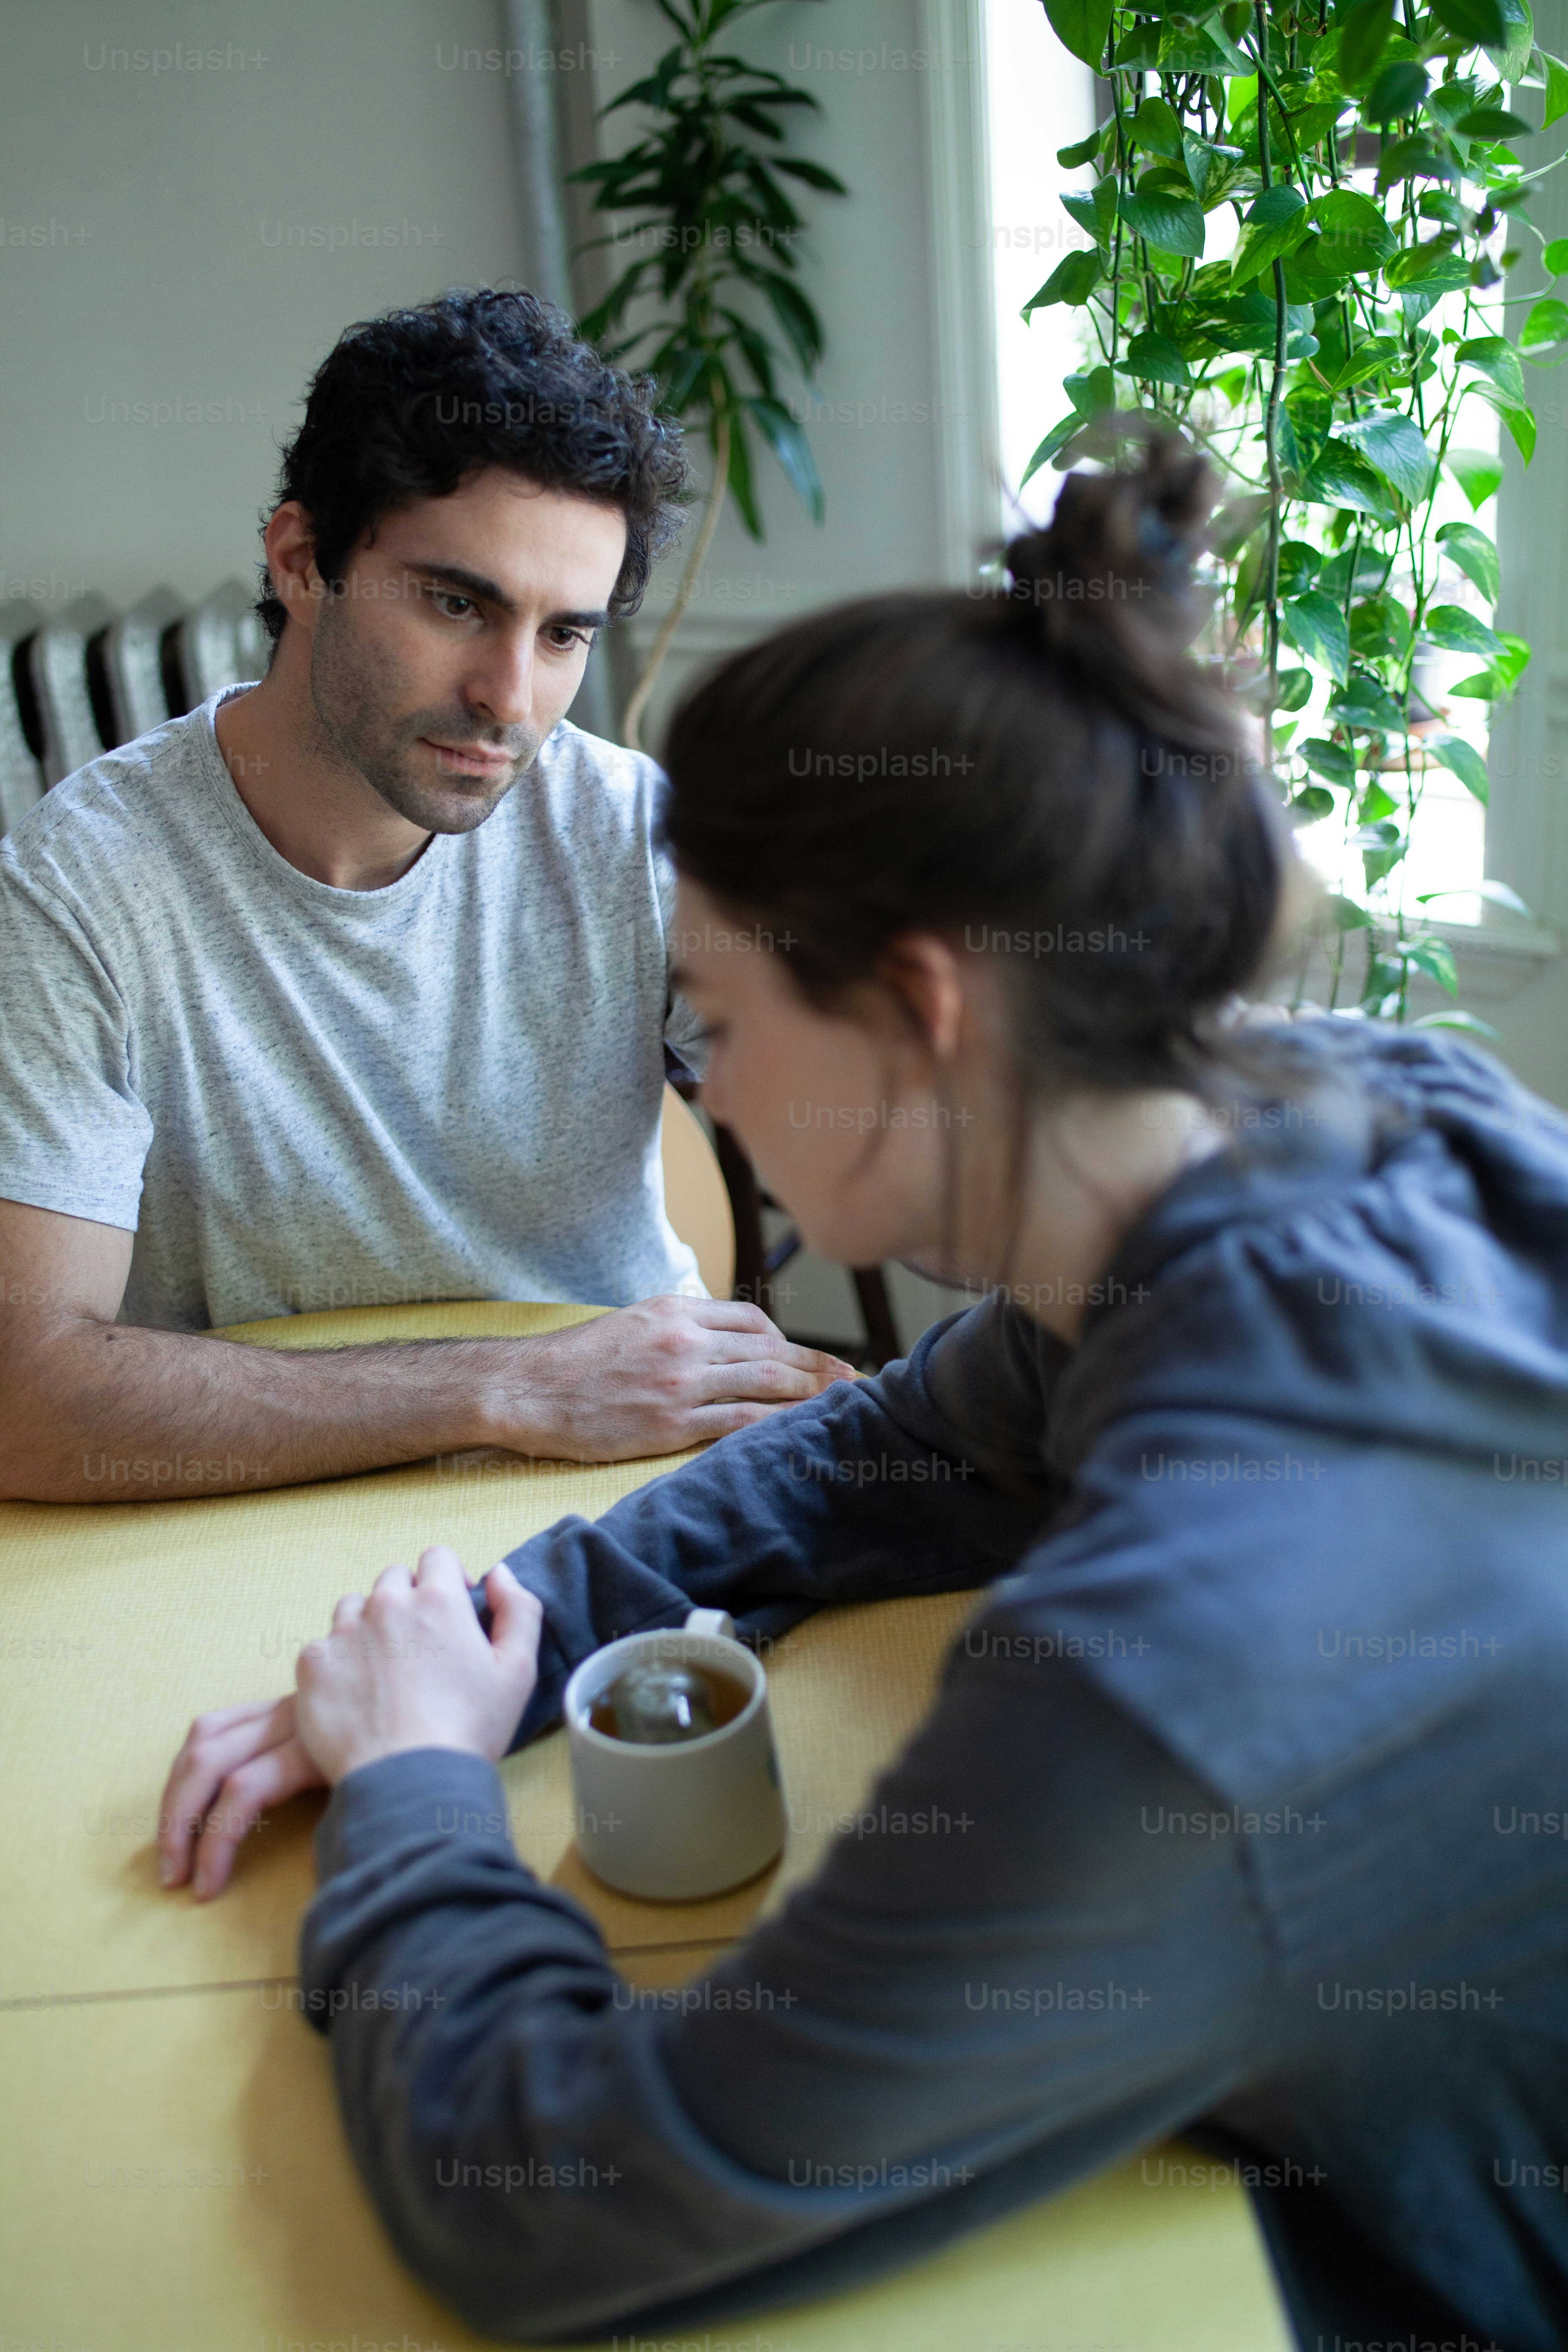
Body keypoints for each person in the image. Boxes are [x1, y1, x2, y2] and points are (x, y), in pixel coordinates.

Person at [159, 432, 1568, 2351]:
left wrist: (412, 1791)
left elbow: (562, 2200)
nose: (704, 1094)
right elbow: (896, 1448)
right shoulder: (1357, 1120)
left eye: (721, 1021)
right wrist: (503, 1638)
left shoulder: (1178, 1683)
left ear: (923, 1008)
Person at [0, 289, 853, 1506]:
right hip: (244, 1499)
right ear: (302, 561)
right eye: (459, 604)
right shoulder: (82, 888)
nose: (512, 696)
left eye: (565, 635)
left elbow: (884, 1129)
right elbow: (22, 1401)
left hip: (622, 1474)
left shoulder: (630, 833)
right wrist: (510, 1391)